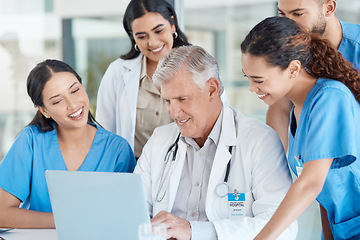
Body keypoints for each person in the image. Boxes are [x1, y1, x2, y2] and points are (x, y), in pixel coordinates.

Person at [134, 45, 298, 240]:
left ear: (212, 89)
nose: (174, 113)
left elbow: (282, 228)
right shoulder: (160, 141)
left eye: (182, 99)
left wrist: (194, 231)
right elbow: (133, 214)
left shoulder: (259, 141)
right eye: (168, 101)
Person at [241, 16, 360, 239]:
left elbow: (311, 183)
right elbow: (324, 194)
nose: (251, 88)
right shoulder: (297, 108)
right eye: (247, 78)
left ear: (293, 68)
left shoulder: (330, 99)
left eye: (258, 80)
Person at [0, 59, 136, 229]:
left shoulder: (117, 150)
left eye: (75, 90)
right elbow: (2, 214)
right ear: (44, 110)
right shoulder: (31, 142)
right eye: (58, 101)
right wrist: (68, 221)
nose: (73, 105)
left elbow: (128, 215)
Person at [95, 0, 191, 159]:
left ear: (172, 24)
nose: (152, 42)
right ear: (133, 37)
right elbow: (104, 133)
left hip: (184, 169)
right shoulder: (117, 72)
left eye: (159, 31)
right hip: (133, 172)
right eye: (142, 36)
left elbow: (216, 123)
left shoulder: (199, 67)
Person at [267, 0, 360, 151]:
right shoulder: (291, 49)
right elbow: (280, 110)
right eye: (282, 14)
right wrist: (274, 167)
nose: (288, 25)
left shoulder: (356, 47)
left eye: (298, 14)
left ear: (329, 8)